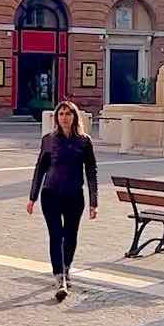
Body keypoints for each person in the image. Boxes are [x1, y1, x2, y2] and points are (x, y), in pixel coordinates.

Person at [27, 100, 98, 302]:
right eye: (61, 114)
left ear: (75, 117)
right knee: (56, 236)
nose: (64, 117)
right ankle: (60, 279)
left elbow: (91, 172)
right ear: (56, 118)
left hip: (74, 195)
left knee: (71, 235)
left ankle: (66, 268)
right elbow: (40, 169)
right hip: (51, 194)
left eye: (68, 114)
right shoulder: (49, 140)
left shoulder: (84, 141)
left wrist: (94, 202)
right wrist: (32, 197)